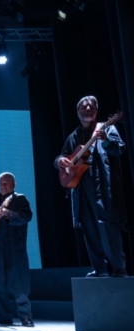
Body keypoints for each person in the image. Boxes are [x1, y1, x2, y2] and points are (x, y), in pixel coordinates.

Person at [55, 96, 127, 278]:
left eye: (91, 107)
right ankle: (100, 269)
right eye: (84, 107)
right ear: (78, 112)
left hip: (102, 187)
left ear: (96, 111)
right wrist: (60, 161)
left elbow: (119, 149)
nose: (88, 109)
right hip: (81, 190)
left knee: (107, 227)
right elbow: (62, 156)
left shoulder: (106, 128)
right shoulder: (74, 136)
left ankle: (119, 269)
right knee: (89, 229)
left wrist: (106, 141)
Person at [0, 172, 34, 327]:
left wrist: (8, 213)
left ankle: (26, 317)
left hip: (14, 248)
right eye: (1, 183)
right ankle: (4, 316)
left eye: (7, 183)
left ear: (14, 184)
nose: (4, 186)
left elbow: (26, 217)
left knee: (19, 285)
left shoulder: (20, 199)